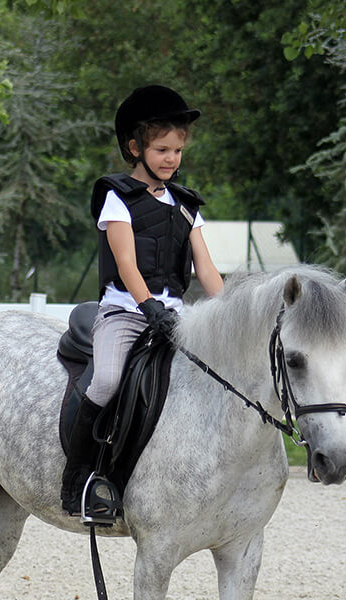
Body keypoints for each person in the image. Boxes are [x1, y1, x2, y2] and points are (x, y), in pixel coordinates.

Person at [60, 85, 224, 515]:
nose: (171, 159)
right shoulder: (117, 198)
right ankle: (78, 476)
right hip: (126, 312)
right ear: (136, 147)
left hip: (176, 316)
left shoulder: (187, 205)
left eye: (177, 151)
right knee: (107, 381)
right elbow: (127, 264)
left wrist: (226, 309)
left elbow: (205, 269)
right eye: (161, 149)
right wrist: (148, 306)